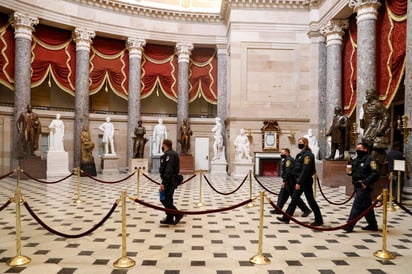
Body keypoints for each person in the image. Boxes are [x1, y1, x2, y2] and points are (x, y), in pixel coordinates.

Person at [277, 137, 323, 226]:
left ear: (305, 143)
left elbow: (305, 170)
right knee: (294, 199)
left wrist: (299, 182)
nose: (299, 144)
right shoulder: (301, 154)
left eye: (301, 142)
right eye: (299, 142)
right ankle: (286, 218)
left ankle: (319, 219)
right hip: (300, 180)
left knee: (311, 201)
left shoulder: (308, 155)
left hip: (305, 181)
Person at [343, 142, 379, 232]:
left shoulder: (370, 160)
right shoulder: (356, 159)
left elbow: (376, 173)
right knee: (367, 207)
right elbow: (355, 172)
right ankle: (372, 225)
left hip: (364, 186)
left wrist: (365, 182)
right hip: (357, 185)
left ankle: (349, 225)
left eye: (360, 149)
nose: (358, 150)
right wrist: (350, 172)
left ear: (365, 149)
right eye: (357, 149)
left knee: (357, 205)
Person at [270, 148, 312, 217]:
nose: (281, 154)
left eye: (282, 152)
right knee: (282, 195)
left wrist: (284, 181)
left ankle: (306, 210)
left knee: (294, 197)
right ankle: (278, 209)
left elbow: (288, 171)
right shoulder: (287, 159)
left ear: (287, 153)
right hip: (288, 180)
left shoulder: (288, 160)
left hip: (290, 181)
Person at [361, 88, 390, 166]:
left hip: (374, 126)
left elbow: (386, 117)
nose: (366, 95)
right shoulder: (365, 105)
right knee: (365, 143)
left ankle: (376, 162)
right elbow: (363, 116)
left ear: (373, 95)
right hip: (367, 127)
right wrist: (361, 123)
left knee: (372, 145)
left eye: (368, 94)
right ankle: (368, 163)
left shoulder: (378, 105)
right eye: (366, 94)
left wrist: (381, 129)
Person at [159, 139, 183, 225]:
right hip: (171, 180)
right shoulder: (173, 153)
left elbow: (168, 170)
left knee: (164, 199)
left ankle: (178, 214)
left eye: (162, 144)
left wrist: (163, 183)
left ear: (165, 145)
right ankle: (169, 218)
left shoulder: (169, 155)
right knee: (169, 199)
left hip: (169, 181)